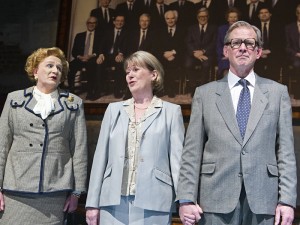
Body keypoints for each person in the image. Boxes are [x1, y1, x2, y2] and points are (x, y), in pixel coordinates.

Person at [176, 21, 297, 225]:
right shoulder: (204, 94)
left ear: (258, 52)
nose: (242, 47)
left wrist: (287, 201)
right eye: (236, 43)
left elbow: (285, 152)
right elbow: (191, 152)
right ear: (226, 50)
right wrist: (186, 198)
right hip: (215, 199)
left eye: (249, 43)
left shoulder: (277, 93)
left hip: (263, 201)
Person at [85, 50, 185, 225]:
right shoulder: (113, 110)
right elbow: (100, 158)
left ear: (153, 75)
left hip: (155, 200)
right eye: (127, 71)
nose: (129, 75)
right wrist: (92, 203)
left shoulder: (171, 112)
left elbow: (177, 162)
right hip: (112, 201)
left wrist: (184, 201)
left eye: (136, 70)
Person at [0, 47, 87, 224]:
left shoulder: (74, 104)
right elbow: (1, 144)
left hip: (54, 192)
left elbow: (79, 149)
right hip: (15, 190)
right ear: (35, 71)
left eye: (59, 68)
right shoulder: (14, 100)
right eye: (49, 66)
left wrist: (77, 192)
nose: (55, 70)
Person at [185, 7, 217, 95]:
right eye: (200, 16)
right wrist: (195, 54)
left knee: (206, 64)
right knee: (188, 64)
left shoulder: (213, 28)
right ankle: (193, 87)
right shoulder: (191, 28)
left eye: (205, 16)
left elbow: (214, 43)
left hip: (207, 54)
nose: (203, 18)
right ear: (197, 17)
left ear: (208, 17)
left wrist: (203, 51)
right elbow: (188, 42)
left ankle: (202, 89)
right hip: (193, 54)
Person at [68, 16, 100, 99]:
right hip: (80, 59)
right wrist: (80, 57)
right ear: (87, 24)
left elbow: (100, 50)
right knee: (70, 65)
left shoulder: (100, 36)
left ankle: (90, 92)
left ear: (96, 24)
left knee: (92, 67)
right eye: (89, 23)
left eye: (93, 23)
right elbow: (74, 51)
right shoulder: (79, 35)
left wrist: (92, 56)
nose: (91, 25)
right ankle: (71, 90)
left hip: (92, 58)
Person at [156, 10, 186, 97]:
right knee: (159, 63)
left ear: (176, 19)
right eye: (168, 18)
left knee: (173, 64)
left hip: (177, 55)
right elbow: (157, 46)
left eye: (172, 18)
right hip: (163, 56)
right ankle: (162, 89)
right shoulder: (160, 31)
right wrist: (164, 54)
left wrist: (173, 53)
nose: (170, 20)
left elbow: (183, 46)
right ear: (165, 20)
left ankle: (170, 89)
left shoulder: (182, 30)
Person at [255, 6, 284, 82]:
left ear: (270, 14)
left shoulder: (277, 26)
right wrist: (260, 52)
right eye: (261, 13)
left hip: (272, 53)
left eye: (266, 12)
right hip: (258, 53)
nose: (264, 14)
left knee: (274, 63)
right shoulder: (253, 27)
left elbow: (280, 42)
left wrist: (269, 51)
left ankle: (272, 90)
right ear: (258, 16)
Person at [216, 7, 240, 78]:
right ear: (227, 18)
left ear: (238, 18)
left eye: (235, 17)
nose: (233, 19)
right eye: (231, 17)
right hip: (225, 56)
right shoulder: (221, 29)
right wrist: (226, 55)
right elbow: (219, 45)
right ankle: (228, 87)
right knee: (226, 65)